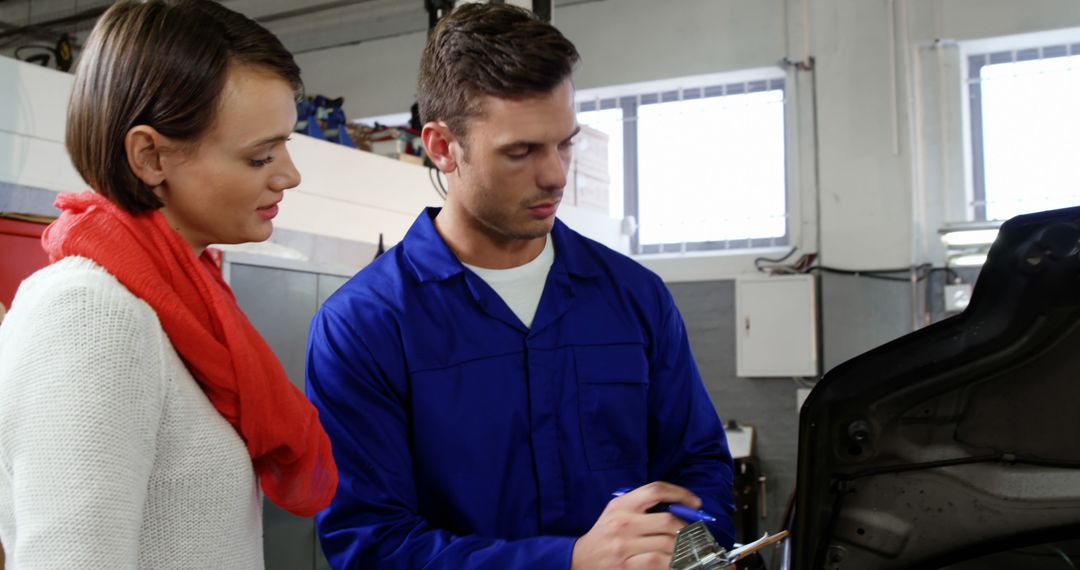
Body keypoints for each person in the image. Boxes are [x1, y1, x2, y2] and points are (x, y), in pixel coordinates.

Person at [306, 4, 735, 569]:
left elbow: (699, 468)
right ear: (441, 147)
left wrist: (676, 539)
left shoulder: (635, 298)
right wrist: (570, 561)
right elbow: (370, 544)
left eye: (564, 143)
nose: (556, 174)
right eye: (521, 151)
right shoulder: (364, 326)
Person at [0, 1, 337, 567]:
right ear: (151, 155)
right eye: (260, 157)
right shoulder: (90, 315)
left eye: (285, 146)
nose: (289, 174)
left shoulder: (185, 297)